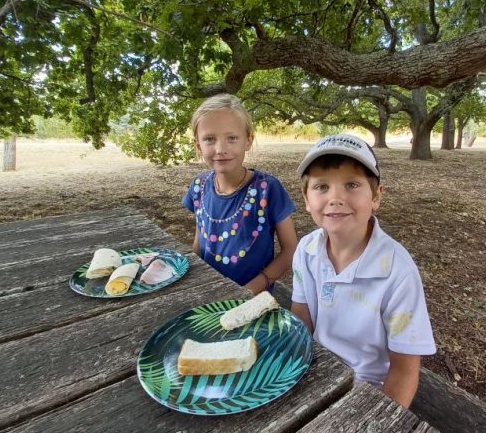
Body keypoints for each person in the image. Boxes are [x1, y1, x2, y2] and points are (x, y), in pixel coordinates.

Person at [291, 134, 436, 407]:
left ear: (377, 196)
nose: (335, 198)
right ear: (306, 199)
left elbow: (404, 370)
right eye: (322, 187)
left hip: (368, 391)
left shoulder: (398, 272)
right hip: (314, 371)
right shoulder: (306, 249)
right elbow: (302, 318)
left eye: (352, 185)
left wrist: (379, 423)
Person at [182, 94, 298, 294]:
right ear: (198, 145)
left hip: (252, 301)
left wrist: (249, 290)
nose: (220, 149)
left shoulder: (267, 189)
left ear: (248, 141)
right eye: (210, 139)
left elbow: (291, 250)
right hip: (209, 296)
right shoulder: (198, 186)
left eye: (232, 138)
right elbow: (199, 243)